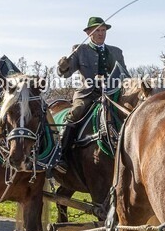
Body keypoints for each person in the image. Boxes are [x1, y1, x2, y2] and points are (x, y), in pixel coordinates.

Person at [55, 16, 129, 170]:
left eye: (103, 30)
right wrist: (62, 66)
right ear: (89, 33)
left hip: (112, 94)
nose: (101, 33)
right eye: (97, 31)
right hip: (88, 94)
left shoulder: (116, 52)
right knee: (75, 113)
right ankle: (61, 155)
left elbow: (125, 76)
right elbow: (65, 73)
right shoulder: (80, 50)